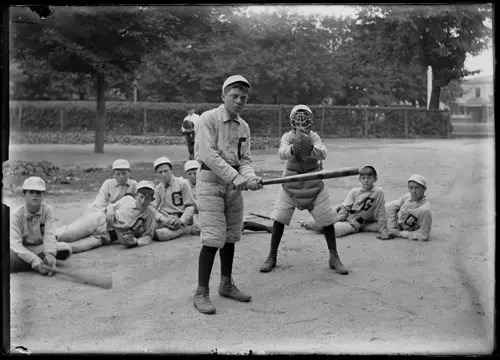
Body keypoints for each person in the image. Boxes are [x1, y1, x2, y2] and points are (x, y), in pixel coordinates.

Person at [192, 75, 263, 315]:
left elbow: (245, 159)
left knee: (232, 235)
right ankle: (201, 291)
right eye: (234, 95)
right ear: (223, 96)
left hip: (233, 186)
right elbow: (208, 155)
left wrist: (250, 176)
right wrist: (236, 177)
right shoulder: (208, 119)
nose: (239, 101)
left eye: (244, 97)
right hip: (210, 182)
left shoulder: (243, 126)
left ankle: (226, 284)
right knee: (213, 237)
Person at [259, 105, 348, 275]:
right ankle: (272, 256)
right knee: (279, 218)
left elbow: (323, 152)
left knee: (327, 218)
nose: (301, 123)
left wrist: (309, 148)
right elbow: (281, 152)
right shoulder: (288, 136)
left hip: (313, 180)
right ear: (292, 120)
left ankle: (334, 257)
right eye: (298, 119)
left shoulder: (314, 136)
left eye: (304, 119)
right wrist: (294, 148)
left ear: (310, 120)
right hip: (291, 181)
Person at [55, 181, 157, 252]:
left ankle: (48, 250)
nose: (143, 201)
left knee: (76, 247)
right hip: (100, 221)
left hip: (107, 237)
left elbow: (148, 236)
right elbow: (110, 207)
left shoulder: (150, 213)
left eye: (147, 198)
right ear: (136, 195)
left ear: (152, 200)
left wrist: (135, 242)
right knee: (68, 233)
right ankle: (47, 237)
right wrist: (110, 209)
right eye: (141, 197)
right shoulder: (128, 199)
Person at [183, 159, 272, 234]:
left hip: (214, 209)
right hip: (198, 214)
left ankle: (266, 228)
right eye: (189, 174)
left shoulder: (206, 183)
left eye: (194, 173)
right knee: (200, 229)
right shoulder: (185, 185)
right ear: (186, 174)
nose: (192, 176)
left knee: (238, 224)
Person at [299, 166, 387, 237]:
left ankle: (321, 226)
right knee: (317, 223)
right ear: (359, 179)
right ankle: (306, 223)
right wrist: (337, 219)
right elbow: (345, 207)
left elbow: (381, 211)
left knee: (334, 231)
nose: (366, 180)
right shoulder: (354, 191)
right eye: (363, 178)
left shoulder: (378, 192)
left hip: (353, 223)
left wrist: (383, 230)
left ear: (375, 179)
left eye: (369, 178)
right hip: (341, 215)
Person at [10, 176, 72, 275]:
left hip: (38, 247)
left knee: (65, 248)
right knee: (9, 258)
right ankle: (35, 263)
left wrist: (50, 254)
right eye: (31, 192)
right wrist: (34, 261)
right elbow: (15, 244)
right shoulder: (15, 215)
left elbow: (49, 235)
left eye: (38, 193)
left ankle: (38, 263)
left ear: (43, 195)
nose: (35, 195)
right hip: (21, 248)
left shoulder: (48, 211)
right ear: (24, 194)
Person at [151, 157, 198, 241]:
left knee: (161, 234)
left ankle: (183, 229)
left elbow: (190, 206)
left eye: (166, 171)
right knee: (144, 228)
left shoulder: (182, 184)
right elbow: (152, 208)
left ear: (171, 170)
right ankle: (182, 230)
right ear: (156, 174)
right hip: (166, 218)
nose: (163, 174)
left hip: (180, 217)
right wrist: (163, 219)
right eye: (160, 172)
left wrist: (181, 221)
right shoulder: (158, 188)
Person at [377, 174, 432, 242]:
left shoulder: (425, 210)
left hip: (403, 229)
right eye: (411, 187)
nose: (413, 191)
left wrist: (401, 234)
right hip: (391, 221)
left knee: (366, 227)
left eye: (417, 188)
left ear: (424, 189)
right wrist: (392, 228)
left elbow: (424, 235)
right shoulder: (408, 196)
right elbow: (390, 206)